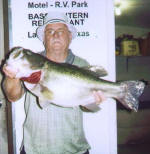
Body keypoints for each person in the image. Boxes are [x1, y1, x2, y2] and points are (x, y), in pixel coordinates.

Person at [2, 12, 105, 154]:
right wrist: (11, 76)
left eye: (60, 31)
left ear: (69, 36)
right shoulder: (30, 63)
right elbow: (12, 97)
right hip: (34, 149)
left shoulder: (82, 65)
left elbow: (86, 107)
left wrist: (94, 101)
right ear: (44, 38)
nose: (55, 35)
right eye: (50, 31)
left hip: (74, 149)